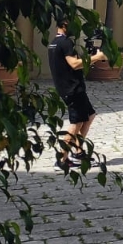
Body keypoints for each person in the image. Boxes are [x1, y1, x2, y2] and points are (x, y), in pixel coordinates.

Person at [48, 18, 108, 171]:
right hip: (72, 89)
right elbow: (74, 64)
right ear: (64, 25)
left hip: (70, 87)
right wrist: (97, 57)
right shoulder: (65, 42)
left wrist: (89, 58)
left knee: (90, 115)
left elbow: (72, 63)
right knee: (76, 124)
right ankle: (61, 160)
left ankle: (78, 152)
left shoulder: (54, 42)